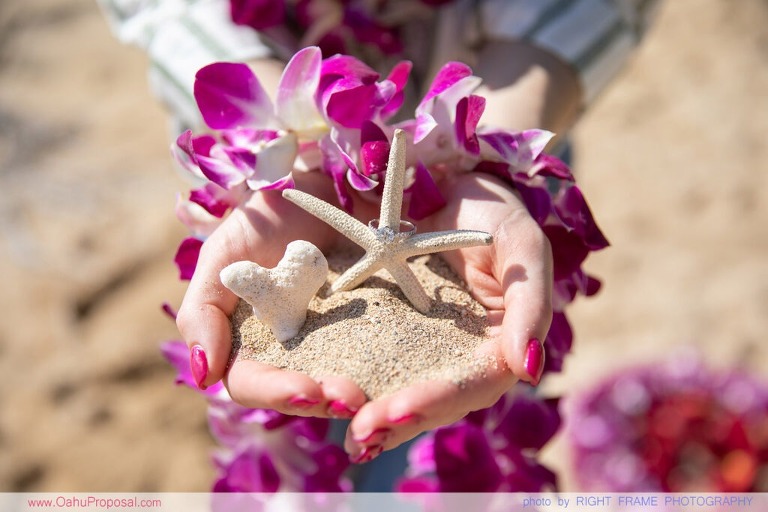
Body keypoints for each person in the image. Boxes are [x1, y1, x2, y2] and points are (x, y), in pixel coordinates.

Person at [100, 0, 659, 466]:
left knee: (483, 409)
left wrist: (486, 165)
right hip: (276, 140)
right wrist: (297, 161)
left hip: (497, 128)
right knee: (297, 432)